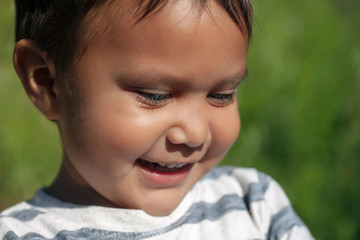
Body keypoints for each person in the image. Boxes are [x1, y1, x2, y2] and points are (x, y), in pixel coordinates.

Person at [0, 0, 314, 239]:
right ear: (47, 83)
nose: (193, 133)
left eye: (222, 95)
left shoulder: (255, 203)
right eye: (155, 95)